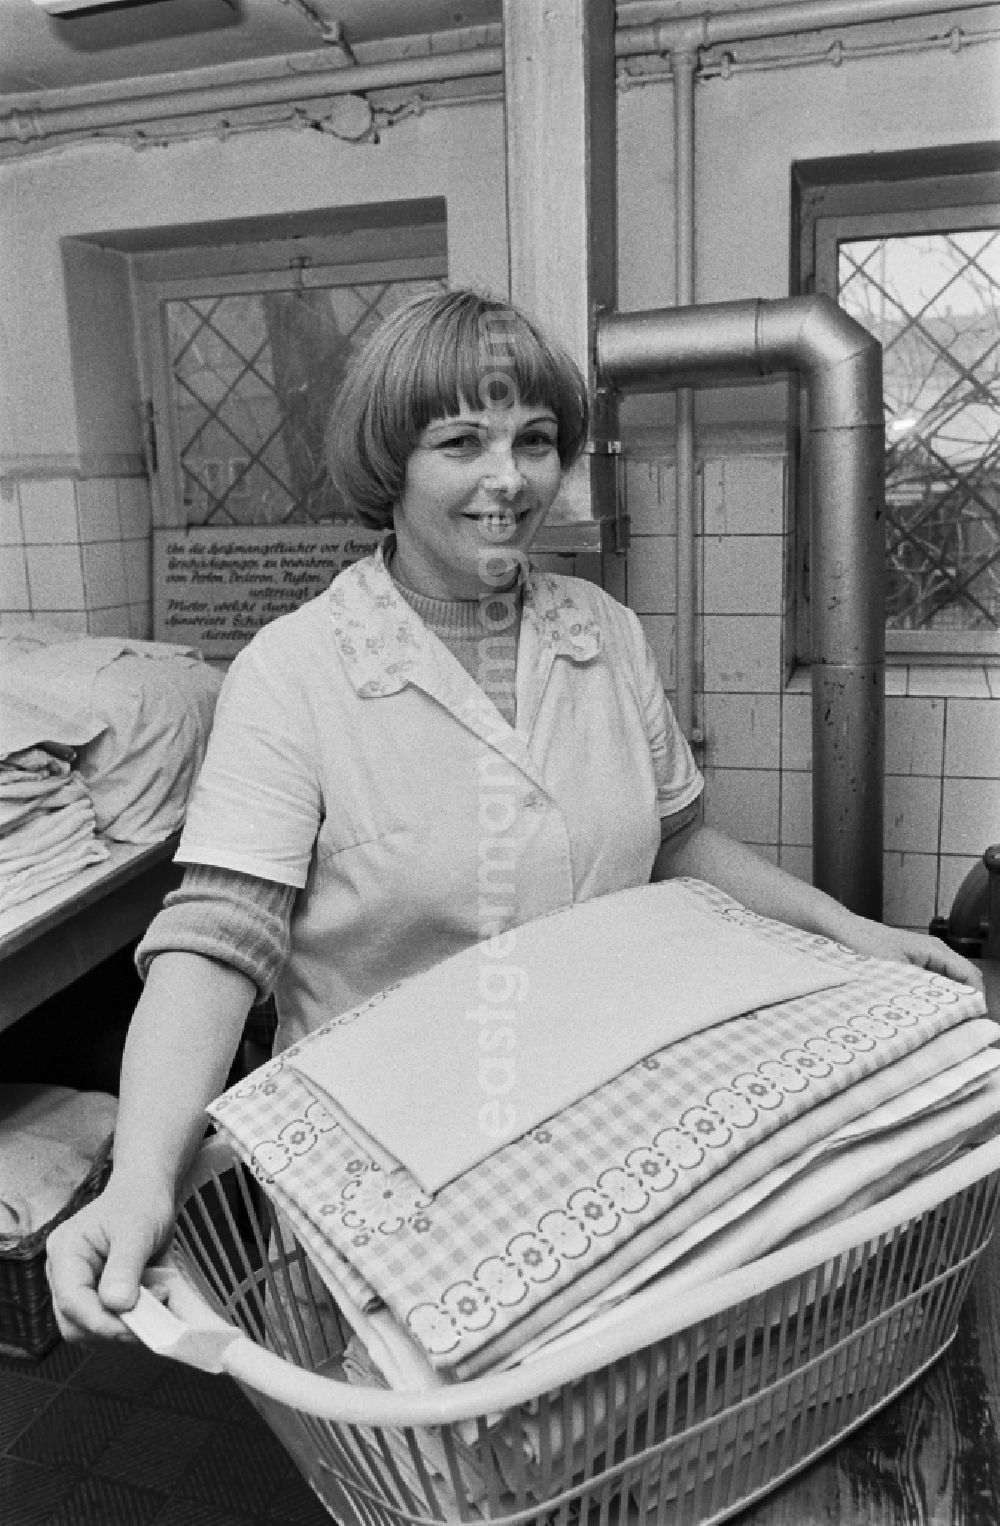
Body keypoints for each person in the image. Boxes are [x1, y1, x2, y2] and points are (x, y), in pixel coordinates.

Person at [46, 287, 981, 1343]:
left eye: (535, 440)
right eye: (461, 440)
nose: (509, 477)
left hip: (602, 1133)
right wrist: (138, 1178)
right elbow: (219, 938)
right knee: (435, 1469)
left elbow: (676, 840)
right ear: (389, 462)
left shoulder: (605, 633)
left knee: (622, 1423)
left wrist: (850, 930)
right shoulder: (294, 672)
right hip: (401, 1174)